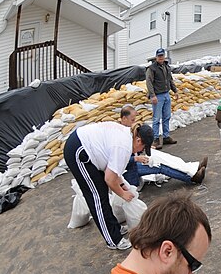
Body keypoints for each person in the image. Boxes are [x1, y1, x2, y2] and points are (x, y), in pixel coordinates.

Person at [63, 121, 153, 250]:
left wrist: (122, 185)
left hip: (88, 149)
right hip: (79, 151)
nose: (141, 152)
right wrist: (123, 194)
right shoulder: (124, 146)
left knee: (102, 192)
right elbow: (110, 179)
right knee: (97, 197)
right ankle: (113, 240)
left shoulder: (127, 137)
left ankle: (113, 228)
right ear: (138, 141)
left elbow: (111, 168)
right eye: (143, 148)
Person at [119, 105, 207, 187]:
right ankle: (192, 178)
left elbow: (134, 149)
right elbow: (119, 160)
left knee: (164, 158)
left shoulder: (128, 132)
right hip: (127, 171)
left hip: (133, 164)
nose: (134, 122)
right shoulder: (118, 137)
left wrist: (144, 147)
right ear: (124, 118)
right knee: (159, 166)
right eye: (132, 120)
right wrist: (136, 158)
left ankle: (192, 168)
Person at [146, 48, 178, 150]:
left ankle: (166, 137)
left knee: (167, 116)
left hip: (166, 94)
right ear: (156, 57)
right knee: (156, 119)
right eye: (159, 56)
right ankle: (155, 139)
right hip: (158, 96)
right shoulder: (152, 68)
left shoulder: (167, 67)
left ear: (164, 56)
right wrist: (152, 95)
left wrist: (175, 91)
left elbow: (170, 80)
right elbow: (149, 82)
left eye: (162, 56)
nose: (161, 58)